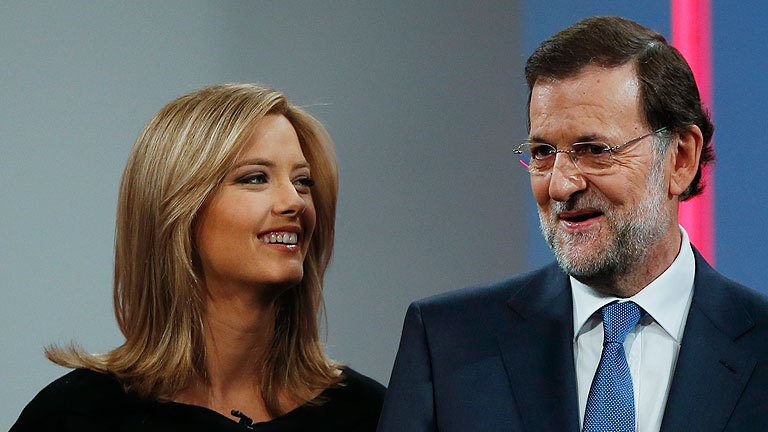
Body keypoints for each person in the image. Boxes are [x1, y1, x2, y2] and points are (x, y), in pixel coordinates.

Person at [378, 16, 768, 432]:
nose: (560, 185)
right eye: (543, 152)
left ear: (681, 159)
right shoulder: (447, 343)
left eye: (594, 150)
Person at [12, 83, 384, 431]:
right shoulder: (76, 416)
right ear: (178, 211)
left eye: (303, 181)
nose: (294, 202)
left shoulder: (371, 414)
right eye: (255, 178)